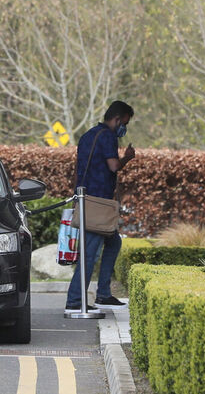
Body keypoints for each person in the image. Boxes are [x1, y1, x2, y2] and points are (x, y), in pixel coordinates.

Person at [64, 101, 136, 313]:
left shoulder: (88, 135)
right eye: (125, 122)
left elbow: (78, 169)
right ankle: (75, 301)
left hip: (87, 198)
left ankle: (103, 294)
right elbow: (113, 166)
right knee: (89, 252)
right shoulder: (107, 136)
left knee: (113, 243)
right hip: (98, 203)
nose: (125, 127)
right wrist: (127, 158)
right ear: (117, 118)